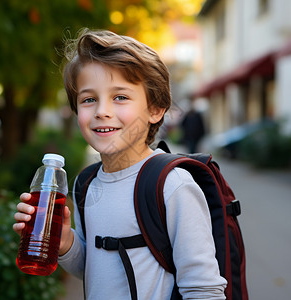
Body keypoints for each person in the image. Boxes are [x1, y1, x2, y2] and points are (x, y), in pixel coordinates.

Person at [13, 28, 226, 299]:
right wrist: (65, 242)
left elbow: (203, 289)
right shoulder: (86, 183)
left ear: (155, 109)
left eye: (120, 97)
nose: (102, 111)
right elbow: (94, 269)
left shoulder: (173, 186)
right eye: (89, 99)